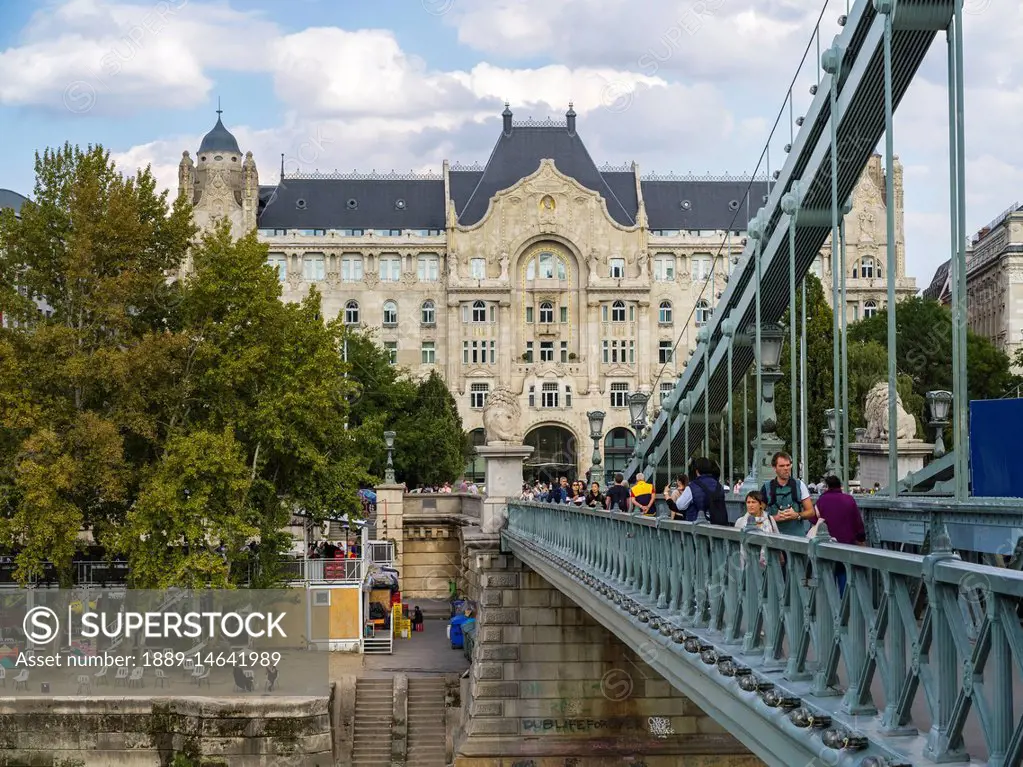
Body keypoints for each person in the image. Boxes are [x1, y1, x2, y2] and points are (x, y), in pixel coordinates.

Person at [810, 475, 866, 597]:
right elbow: (858, 523)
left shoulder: (821, 501)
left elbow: (813, 520)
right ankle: (844, 604)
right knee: (844, 574)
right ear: (840, 486)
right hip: (847, 544)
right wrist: (861, 539)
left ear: (827, 487)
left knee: (827, 575)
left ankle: (829, 607)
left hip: (826, 545)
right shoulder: (849, 499)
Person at [762, 451, 816, 536]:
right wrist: (774, 518)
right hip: (774, 539)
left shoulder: (800, 485)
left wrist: (797, 515)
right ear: (774, 467)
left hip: (797, 539)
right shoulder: (766, 487)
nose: (786, 468)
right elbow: (758, 514)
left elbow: (811, 512)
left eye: (788, 465)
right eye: (782, 466)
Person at [733, 490, 779, 567]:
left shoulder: (770, 519)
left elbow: (777, 539)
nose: (750, 505)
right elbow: (735, 543)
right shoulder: (740, 521)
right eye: (748, 502)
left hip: (768, 563)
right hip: (746, 563)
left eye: (753, 502)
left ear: (760, 505)